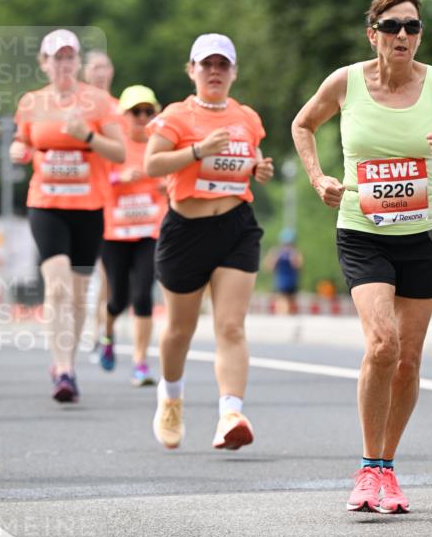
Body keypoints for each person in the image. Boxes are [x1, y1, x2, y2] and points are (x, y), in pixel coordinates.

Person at [292, 0, 432, 514]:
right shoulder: (346, 82)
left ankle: (387, 470)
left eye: (413, 27)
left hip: (423, 233)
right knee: (382, 344)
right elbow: (302, 124)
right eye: (393, 26)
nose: (404, 36)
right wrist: (317, 178)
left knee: (409, 360)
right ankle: (366, 465)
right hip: (362, 230)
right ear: (372, 32)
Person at [145, 33, 274, 450]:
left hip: (236, 226)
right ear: (192, 70)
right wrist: (198, 149)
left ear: (234, 72)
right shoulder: (177, 116)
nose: (215, 72)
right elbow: (152, 163)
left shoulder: (247, 118)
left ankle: (230, 414)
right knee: (180, 329)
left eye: (223, 65)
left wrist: (258, 168)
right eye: (207, 65)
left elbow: (245, 159)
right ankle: (170, 396)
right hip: (186, 230)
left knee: (232, 326)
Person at [10, 29, 125, 401]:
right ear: (44, 63)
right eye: (55, 57)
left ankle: (68, 361)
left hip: (89, 208)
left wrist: (86, 136)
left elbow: (120, 153)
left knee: (77, 295)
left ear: (77, 62)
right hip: (46, 205)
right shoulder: (31, 103)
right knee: (57, 286)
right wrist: (18, 150)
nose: (63, 64)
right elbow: (23, 140)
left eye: (69, 57)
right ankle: (64, 371)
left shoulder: (98, 103)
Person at [98, 85, 166, 385]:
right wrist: (118, 177)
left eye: (147, 112)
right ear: (123, 115)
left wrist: (169, 185)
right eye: (135, 112)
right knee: (118, 298)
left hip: (150, 230)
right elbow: (95, 180)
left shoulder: (161, 143)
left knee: (142, 295)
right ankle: (108, 334)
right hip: (114, 232)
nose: (141, 117)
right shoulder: (114, 145)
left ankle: (140, 363)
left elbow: (178, 174)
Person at [83, 50, 118, 356]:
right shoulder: (76, 112)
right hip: (80, 200)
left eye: (104, 67)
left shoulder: (123, 110)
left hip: (116, 204)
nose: (99, 72)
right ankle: (95, 328)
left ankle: (103, 328)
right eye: (94, 67)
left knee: (110, 274)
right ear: (84, 73)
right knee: (80, 271)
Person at [264, 228, 303, 314]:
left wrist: (293, 257)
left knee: (292, 305)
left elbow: (299, 266)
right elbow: (269, 268)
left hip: (292, 282)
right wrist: (275, 258)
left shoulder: (295, 253)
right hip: (281, 282)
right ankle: (283, 319)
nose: (287, 246)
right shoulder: (276, 252)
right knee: (282, 302)